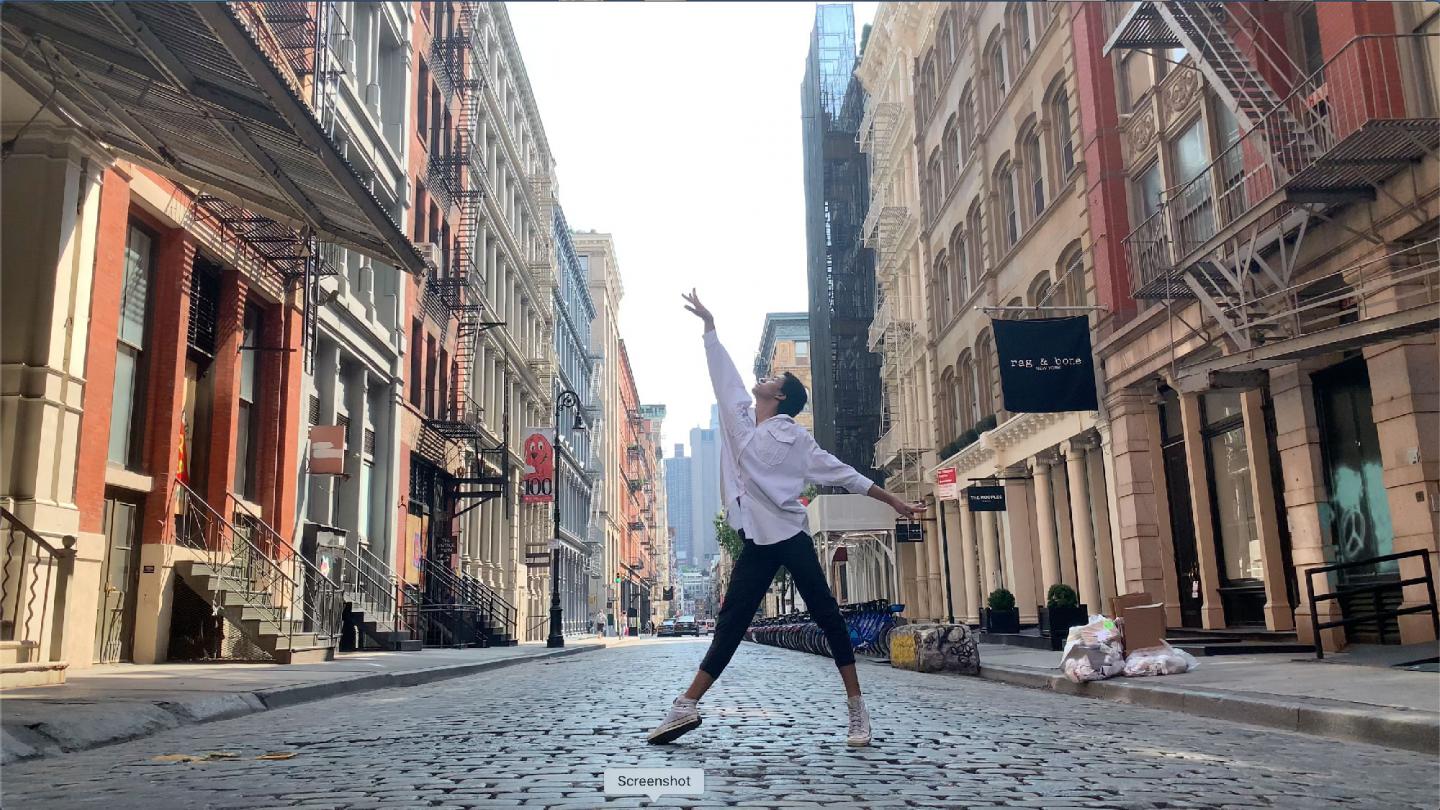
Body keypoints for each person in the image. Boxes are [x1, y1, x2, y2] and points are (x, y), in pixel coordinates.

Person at [647, 291, 923, 748]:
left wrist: (893, 501)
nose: (765, 377)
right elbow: (724, 375)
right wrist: (710, 327)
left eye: (774, 377)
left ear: (779, 397)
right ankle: (686, 705)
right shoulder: (739, 416)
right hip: (755, 537)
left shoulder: (795, 439)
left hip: (790, 533)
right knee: (732, 621)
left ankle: (857, 708)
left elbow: (844, 474)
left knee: (827, 614)